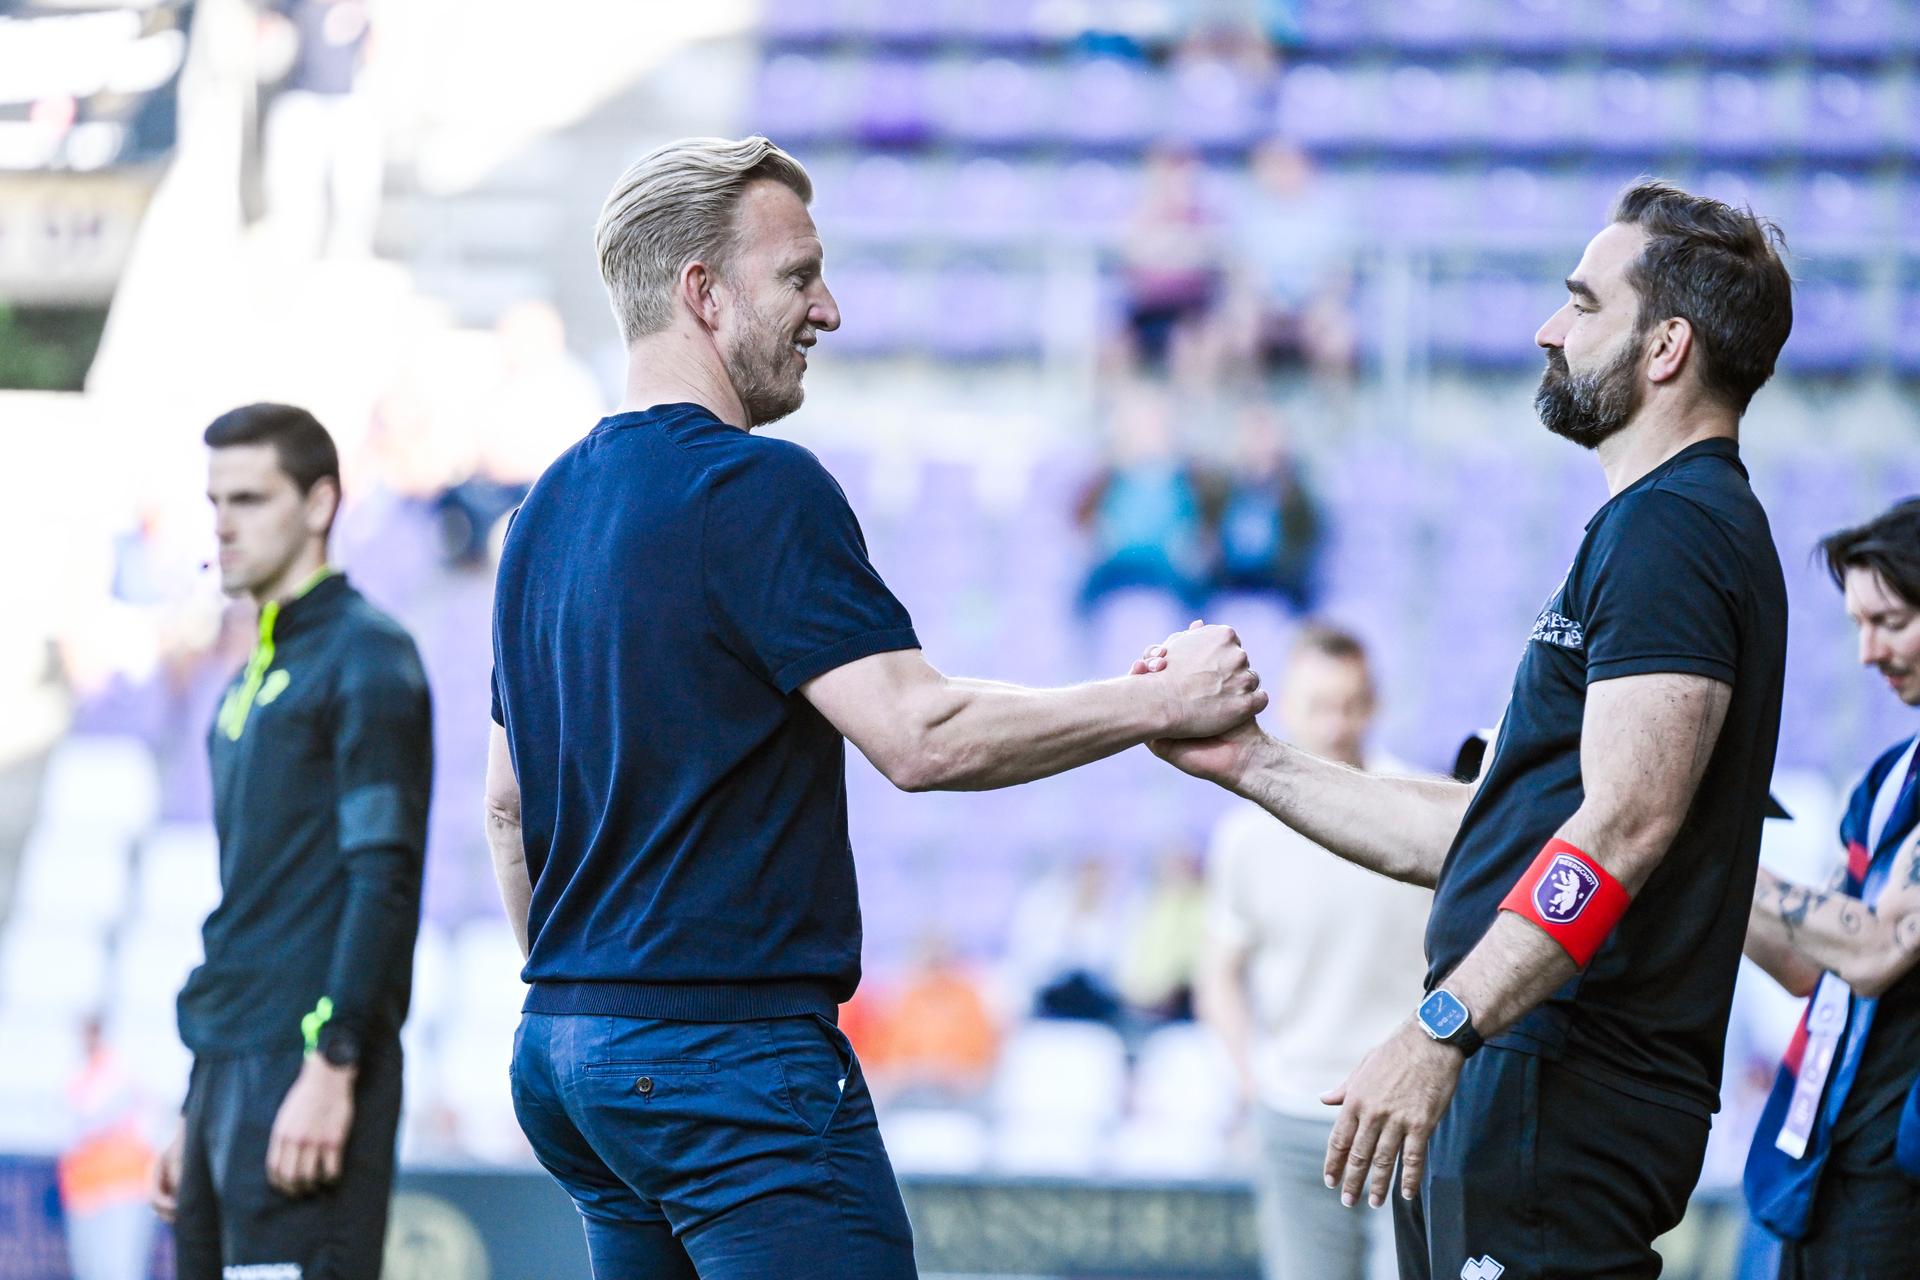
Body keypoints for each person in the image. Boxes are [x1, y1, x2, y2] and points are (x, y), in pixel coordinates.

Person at [482, 135, 1265, 1280]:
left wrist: (591, 1008)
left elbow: (509, 813)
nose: (829, 309)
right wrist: (1163, 708)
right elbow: (918, 734)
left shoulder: (542, 509)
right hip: (727, 1067)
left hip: (570, 1052)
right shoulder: (755, 485)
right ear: (704, 292)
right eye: (799, 274)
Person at [1134, 180, 1793, 1279]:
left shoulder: (1675, 528)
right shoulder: (1656, 524)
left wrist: (1439, 1025)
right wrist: (1248, 760)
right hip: (1532, 1080)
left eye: (1583, 303)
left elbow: (1624, 824)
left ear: (1667, 345)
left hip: (1560, 1081)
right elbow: (1497, 832)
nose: (1549, 328)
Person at [148, 403, 434, 1280]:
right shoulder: (246, 678)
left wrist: (333, 1066)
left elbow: (382, 879)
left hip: (306, 1075)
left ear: (318, 504)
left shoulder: (369, 659)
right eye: (214, 501)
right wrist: (198, 1101)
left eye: (249, 498)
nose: (223, 525)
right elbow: (251, 902)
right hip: (226, 1069)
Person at [1196, 625, 1429, 1280]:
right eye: (1320, 705)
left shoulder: (1421, 812)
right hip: (1293, 1114)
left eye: (1350, 704)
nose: (1336, 723)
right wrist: (1252, 1081)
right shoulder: (1246, 834)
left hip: (1402, 1114)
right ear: (1289, 705)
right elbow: (1219, 973)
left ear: (1373, 704)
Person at [1743, 498, 1920, 1278]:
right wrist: (1681, 854)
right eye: (1856, 624)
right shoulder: (1886, 782)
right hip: (1829, 1168)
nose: (1867, 653)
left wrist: (1715, 858)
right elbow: (1810, 965)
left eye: (1889, 620)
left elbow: (1876, 952)